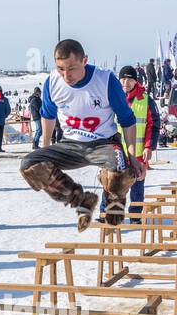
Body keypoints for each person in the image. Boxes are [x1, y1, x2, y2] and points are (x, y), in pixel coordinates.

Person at [19, 39, 143, 230]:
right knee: (29, 165)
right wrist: (45, 148)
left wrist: (133, 156)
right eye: (61, 69)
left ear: (84, 60)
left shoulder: (105, 80)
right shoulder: (52, 82)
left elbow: (127, 120)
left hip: (104, 143)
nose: (66, 75)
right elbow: (48, 116)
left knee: (119, 169)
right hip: (71, 144)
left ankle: (114, 207)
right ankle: (80, 199)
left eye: (71, 68)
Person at [100, 66, 159, 221]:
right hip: (115, 151)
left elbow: (153, 125)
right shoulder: (110, 98)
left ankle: (135, 215)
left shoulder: (146, 100)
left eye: (130, 79)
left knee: (137, 185)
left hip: (138, 152)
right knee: (110, 184)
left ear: (135, 81)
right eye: (123, 79)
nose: (126, 82)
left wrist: (149, 146)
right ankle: (105, 213)